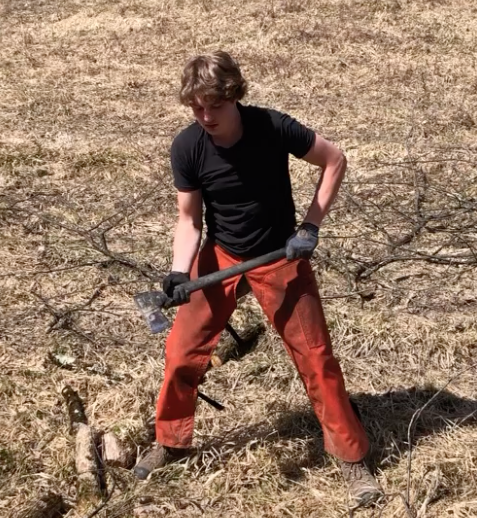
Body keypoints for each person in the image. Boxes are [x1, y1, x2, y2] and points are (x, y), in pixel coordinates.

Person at [134, 50, 383, 509]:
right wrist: (179, 270)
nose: (205, 116)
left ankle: (351, 457)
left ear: (235, 95)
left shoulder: (272, 127)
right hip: (222, 254)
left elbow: (334, 160)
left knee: (316, 358)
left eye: (214, 105)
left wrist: (310, 227)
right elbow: (189, 219)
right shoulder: (188, 146)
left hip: (279, 254)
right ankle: (170, 442)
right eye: (196, 108)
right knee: (181, 353)